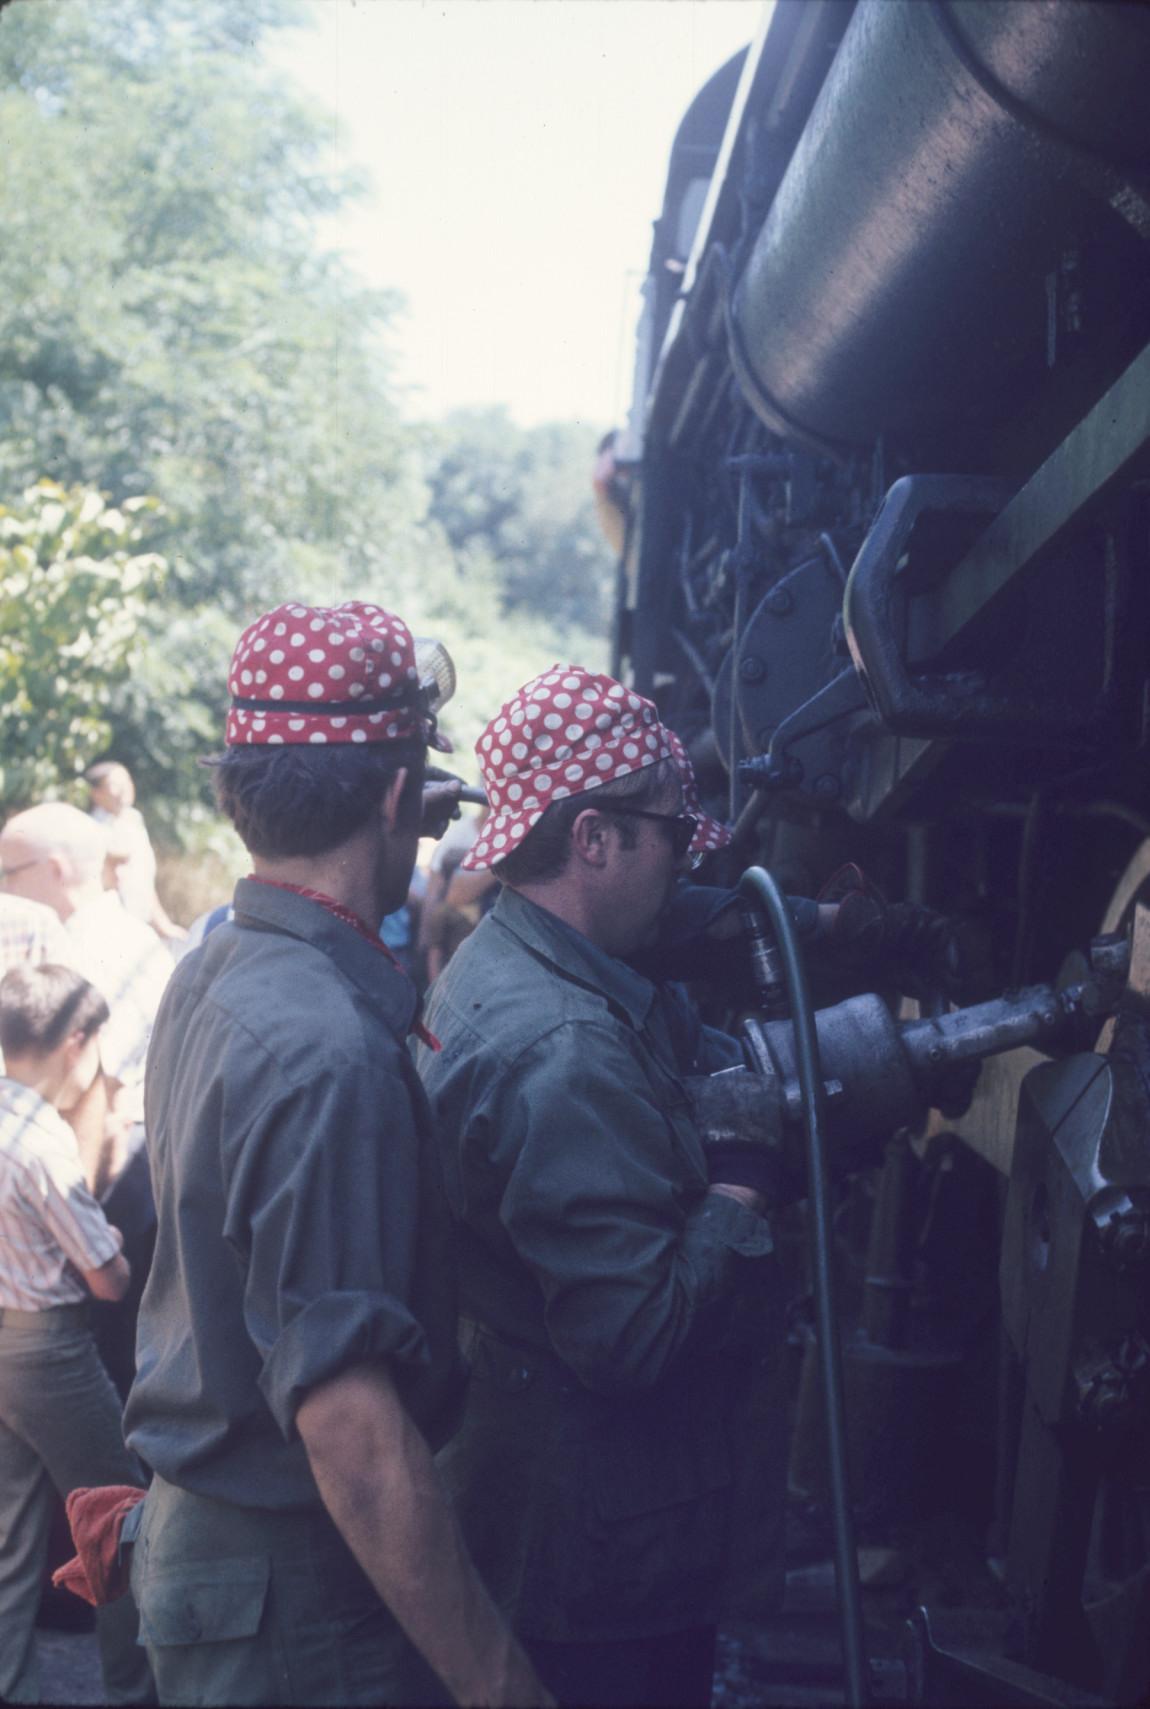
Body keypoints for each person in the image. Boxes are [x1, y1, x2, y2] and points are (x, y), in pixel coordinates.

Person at [124, 601, 549, 1708]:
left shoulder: (214, 972)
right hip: (294, 1586)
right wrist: (501, 1681)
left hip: (217, 1552)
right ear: (400, 795)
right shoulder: (326, 1048)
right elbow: (352, 1428)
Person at [419, 666, 787, 1709]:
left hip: (539, 1505)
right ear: (593, 838)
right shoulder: (564, 1045)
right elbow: (627, 1338)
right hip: (599, 1550)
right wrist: (742, 1190)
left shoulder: (509, 957)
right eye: (673, 833)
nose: (683, 857)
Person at [0, 963, 153, 1706]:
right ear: (78, 1041)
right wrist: (115, 1245)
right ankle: (134, 1686)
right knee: (117, 1516)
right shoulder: (40, 1133)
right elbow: (109, 1280)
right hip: (49, 1349)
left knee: (11, 1531)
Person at [85, 762, 185, 945]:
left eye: (127, 781)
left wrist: (162, 924)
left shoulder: (133, 820)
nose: (124, 789)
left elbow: (143, 880)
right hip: (111, 930)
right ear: (96, 793)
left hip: (141, 923)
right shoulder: (91, 829)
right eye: (115, 784)